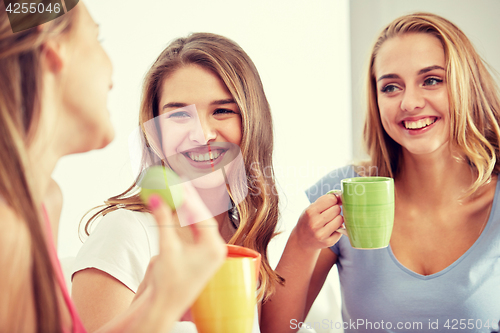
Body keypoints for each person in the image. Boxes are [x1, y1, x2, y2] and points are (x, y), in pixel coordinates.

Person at [261, 12, 500, 333]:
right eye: (390, 87)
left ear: (465, 84)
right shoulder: (346, 193)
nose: (410, 102)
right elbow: (278, 330)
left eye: (431, 80)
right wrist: (302, 242)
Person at [0, 2, 227, 332]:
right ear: (52, 47)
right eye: (97, 38)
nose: (111, 72)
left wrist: (155, 302)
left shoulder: (44, 202)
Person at [71, 33, 282, 332]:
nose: (202, 134)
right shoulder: (125, 234)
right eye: (180, 114)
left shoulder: (241, 236)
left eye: (222, 111)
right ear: (155, 132)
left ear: (252, 122)